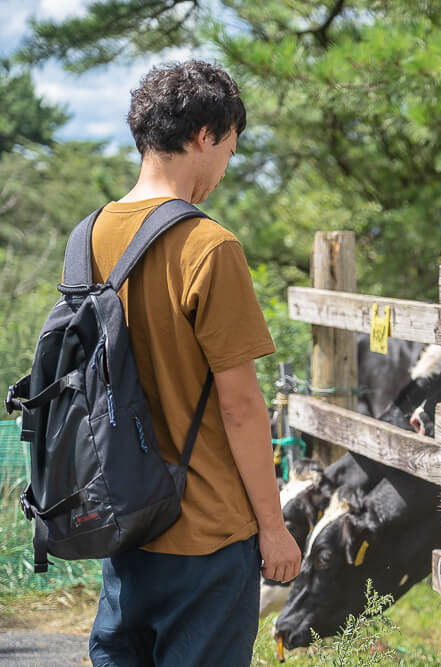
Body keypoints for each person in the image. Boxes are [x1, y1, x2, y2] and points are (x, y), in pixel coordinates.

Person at [87, 60, 300, 666]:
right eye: (229, 152)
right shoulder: (209, 246)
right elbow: (240, 406)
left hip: (121, 527)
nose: (224, 170)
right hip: (206, 539)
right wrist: (274, 527)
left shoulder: (90, 237)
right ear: (206, 135)